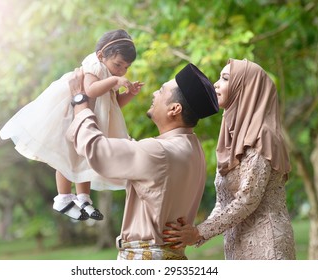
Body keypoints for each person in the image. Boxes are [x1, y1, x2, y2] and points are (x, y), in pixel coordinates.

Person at [66, 63, 219, 259]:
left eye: (162, 90)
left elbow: (96, 150)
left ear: (174, 109)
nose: (155, 93)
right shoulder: (193, 148)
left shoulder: (160, 152)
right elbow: (130, 151)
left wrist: (80, 100)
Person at [0, 29, 143, 221]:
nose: (121, 71)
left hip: (89, 120)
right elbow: (91, 91)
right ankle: (63, 197)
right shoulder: (96, 67)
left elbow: (114, 104)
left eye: (126, 67)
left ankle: (84, 198)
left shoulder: (110, 74)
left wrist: (130, 94)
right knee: (67, 157)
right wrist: (115, 80)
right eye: (118, 64)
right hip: (71, 116)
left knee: (84, 159)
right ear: (101, 55)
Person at [163, 58, 296, 260]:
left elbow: (247, 199)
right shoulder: (231, 137)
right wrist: (195, 232)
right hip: (236, 246)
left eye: (225, 79)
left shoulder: (263, 134)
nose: (216, 84)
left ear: (244, 88)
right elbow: (224, 202)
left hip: (268, 247)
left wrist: (199, 233)